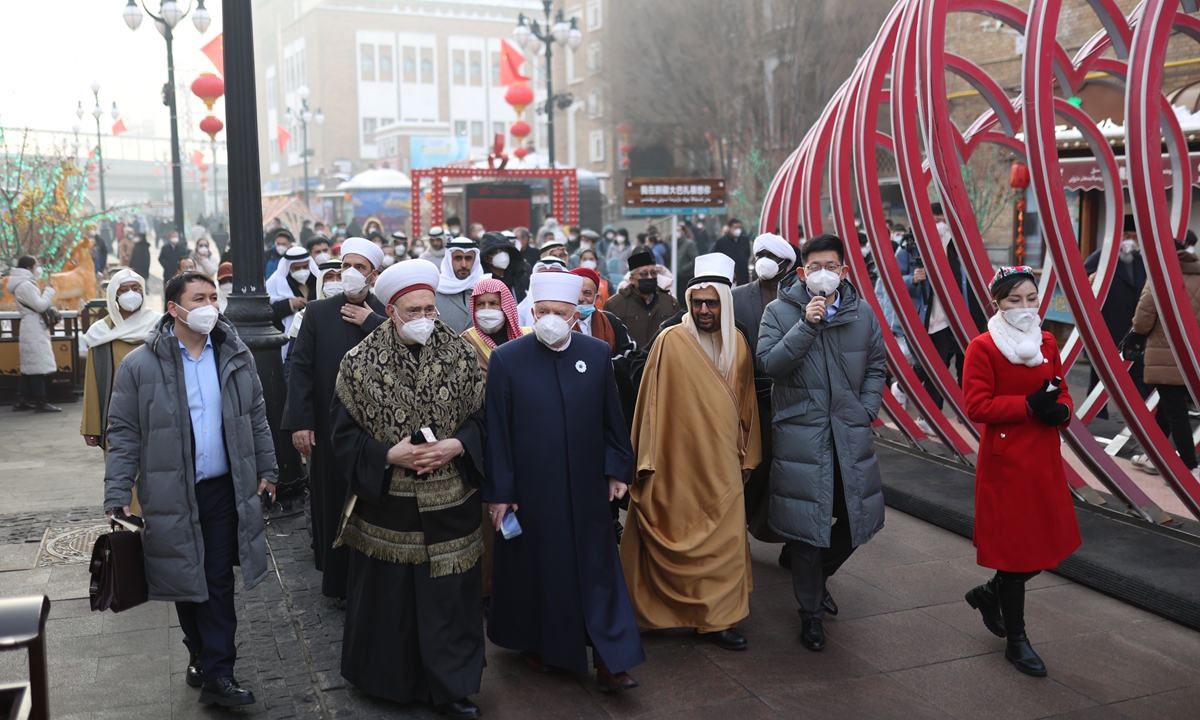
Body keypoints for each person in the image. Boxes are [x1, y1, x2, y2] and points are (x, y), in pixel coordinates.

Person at [103, 270, 277, 706]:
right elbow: (123, 432)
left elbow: (256, 415)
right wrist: (117, 494)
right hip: (170, 491)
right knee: (184, 577)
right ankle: (198, 651)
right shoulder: (139, 365)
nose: (210, 306)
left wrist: (268, 469)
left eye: (214, 297)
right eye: (199, 298)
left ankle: (219, 673)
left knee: (216, 578)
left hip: (223, 489)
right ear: (174, 308)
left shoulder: (234, 354)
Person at [329, 259, 486, 719]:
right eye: (413, 311)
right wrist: (386, 455)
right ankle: (387, 681)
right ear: (391, 311)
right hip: (389, 506)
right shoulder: (358, 363)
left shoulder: (460, 354)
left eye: (429, 310)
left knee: (448, 601)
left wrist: (458, 444)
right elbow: (342, 435)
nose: (423, 318)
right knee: (391, 601)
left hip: (450, 502)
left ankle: (452, 687)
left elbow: (483, 419)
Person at [484, 271, 644, 693]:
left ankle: (612, 661)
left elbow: (613, 419)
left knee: (600, 571)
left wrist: (618, 469)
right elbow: (497, 433)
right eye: (543, 312)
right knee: (542, 572)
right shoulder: (507, 358)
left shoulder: (596, 353)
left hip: (588, 487)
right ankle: (540, 644)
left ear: (577, 314)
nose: (551, 319)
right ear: (532, 312)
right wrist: (500, 493)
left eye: (560, 312)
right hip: (533, 493)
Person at [622, 253, 760, 651]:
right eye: (697, 302)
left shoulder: (740, 345)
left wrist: (748, 454)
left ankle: (718, 620)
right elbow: (649, 404)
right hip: (675, 460)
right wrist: (646, 459)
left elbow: (747, 405)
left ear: (724, 303)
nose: (703, 310)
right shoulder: (670, 340)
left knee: (725, 542)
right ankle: (654, 612)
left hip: (723, 463)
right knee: (668, 532)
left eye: (711, 303)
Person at [757, 234, 888, 652]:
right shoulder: (779, 312)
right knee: (807, 529)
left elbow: (877, 366)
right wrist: (806, 325)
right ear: (802, 272)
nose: (824, 274)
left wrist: (865, 409)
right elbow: (771, 364)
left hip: (849, 432)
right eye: (815, 267)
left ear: (844, 271)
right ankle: (810, 614)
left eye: (831, 266)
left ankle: (818, 578)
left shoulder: (862, 313)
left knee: (856, 519)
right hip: (802, 435)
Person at [960, 266, 1081, 677]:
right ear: (997, 303)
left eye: (1031, 298)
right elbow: (976, 406)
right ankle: (1017, 641)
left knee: (1045, 545)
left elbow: (1061, 388)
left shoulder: (1047, 340)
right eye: (1015, 300)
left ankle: (988, 594)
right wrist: (1027, 406)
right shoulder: (983, 347)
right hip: (1006, 463)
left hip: (1043, 458)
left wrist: (1062, 410)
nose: (1025, 307)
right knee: (1015, 556)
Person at [282, 238, 387, 601]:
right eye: (345, 266)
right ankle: (339, 584)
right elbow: (301, 369)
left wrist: (372, 322)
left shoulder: (386, 312)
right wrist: (301, 422)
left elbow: (407, 351)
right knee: (332, 502)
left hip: (377, 433)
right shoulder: (318, 312)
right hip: (329, 429)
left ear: (373, 275)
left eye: (360, 267)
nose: (351, 273)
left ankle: (375, 582)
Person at [732, 233, 796, 548]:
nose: (765, 262)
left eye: (773, 256)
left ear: (787, 263)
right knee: (750, 466)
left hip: (791, 396)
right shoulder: (735, 297)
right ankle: (739, 526)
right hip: (748, 396)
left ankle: (777, 531)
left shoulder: (802, 297)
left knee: (786, 469)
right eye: (761, 255)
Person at [1129, 241, 1200, 480]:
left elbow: (1142, 322)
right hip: (1193, 356)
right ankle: (1152, 456)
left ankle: (1188, 466)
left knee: (1175, 411)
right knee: (1169, 407)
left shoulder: (1159, 278)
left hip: (1164, 354)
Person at [81, 269, 159, 458]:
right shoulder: (100, 333)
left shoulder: (159, 325)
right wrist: (91, 426)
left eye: (135, 288)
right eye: (123, 290)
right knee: (121, 467)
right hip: (116, 415)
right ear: (114, 295)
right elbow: (93, 384)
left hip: (156, 411)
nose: (131, 294)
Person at [1083, 215, 1151, 414]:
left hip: (1134, 327)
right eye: (1126, 236)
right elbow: (1082, 283)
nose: (1130, 241)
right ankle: (1096, 414)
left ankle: (1142, 415)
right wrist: (1091, 280)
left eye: (1134, 237)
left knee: (1137, 372)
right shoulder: (1101, 257)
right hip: (1107, 325)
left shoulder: (1141, 260)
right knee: (1101, 374)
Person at [7, 256, 61, 412]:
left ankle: (21, 399)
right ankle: (41, 401)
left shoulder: (23, 283)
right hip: (33, 328)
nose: (38, 269)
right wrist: (48, 290)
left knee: (30, 366)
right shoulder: (25, 285)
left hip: (31, 326)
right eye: (35, 266)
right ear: (28, 268)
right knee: (37, 365)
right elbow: (40, 305)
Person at [603, 251, 681, 348]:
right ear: (632, 279)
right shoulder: (615, 305)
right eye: (644, 274)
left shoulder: (670, 303)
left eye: (653, 273)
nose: (650, 277)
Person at [267, 246, 318, 360]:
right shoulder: (274, 284)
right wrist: (290, 304)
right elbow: (266, 312)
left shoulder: (316, 280)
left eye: (305, 266)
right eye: (297, 268)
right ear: (288, 267)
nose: (302, 271)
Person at [435, 237, 483, 334]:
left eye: (468, 258)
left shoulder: (484, 288)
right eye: (458, 258)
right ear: (449, 260)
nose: (464, 265)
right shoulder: (436, 289)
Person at [479, 231, 529, 301]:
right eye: (497, 251)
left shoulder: (519, 277)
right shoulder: (481, 281)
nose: (503, 254)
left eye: (505, 250)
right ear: (486, 258)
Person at [713, 218, 751, 285]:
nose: (738, 230)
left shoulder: (745, 240)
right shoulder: (721, 242)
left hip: (743, 274)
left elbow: (747, 254)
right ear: (729, 228)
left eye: (739, 227)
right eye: (735, 228)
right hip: (728, 275)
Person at [673, 223, 699, 297]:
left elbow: (694, 259)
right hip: (676, 277)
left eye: (678, 230)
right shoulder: (674, 244)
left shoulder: (689, 244)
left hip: (685, 277)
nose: (676, 233)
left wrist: (683, 269)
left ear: (683, 232)